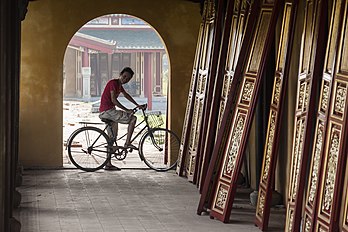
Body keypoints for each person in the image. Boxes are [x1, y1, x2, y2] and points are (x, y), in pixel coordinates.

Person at [99, 67, 146, 170]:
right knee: (133, 119)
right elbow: (113, 100)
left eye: (128, 79)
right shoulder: (113, 83)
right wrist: (126, 110)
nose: (125, 79)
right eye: (124, 76)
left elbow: (126, 95)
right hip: (108, 111)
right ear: (120, 74)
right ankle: (127, 143)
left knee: (111, 139)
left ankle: (108, 164)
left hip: (109, 112)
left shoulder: (119, 86)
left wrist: (137, 105)